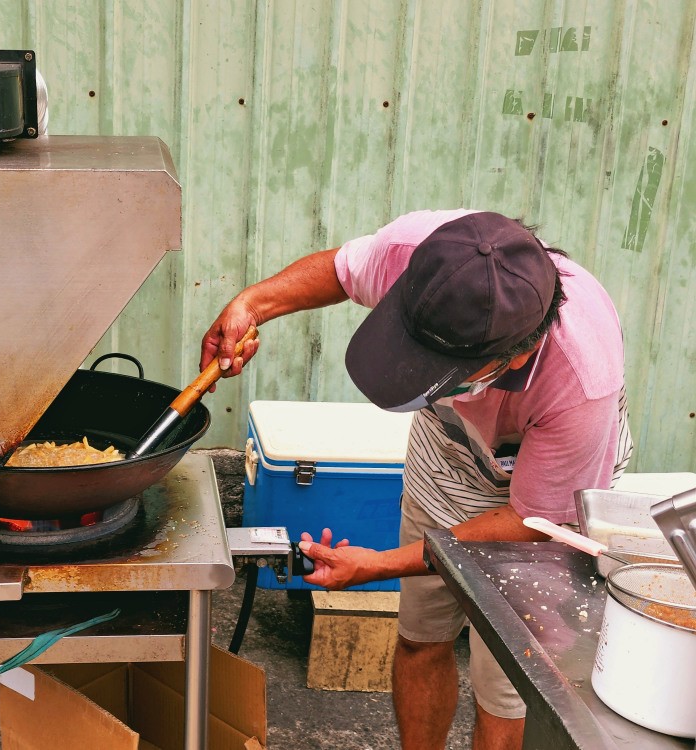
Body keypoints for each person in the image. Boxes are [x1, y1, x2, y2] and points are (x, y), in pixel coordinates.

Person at [200, 209, 632, 750]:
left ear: (514, 356)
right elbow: (340, 270)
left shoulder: (580, 382)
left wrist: (378, 565)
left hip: (539, 502)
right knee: (420, 637)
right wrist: (250, 305)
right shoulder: (428, 257)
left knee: (507, 684)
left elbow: (533, 522)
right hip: (444, 455)